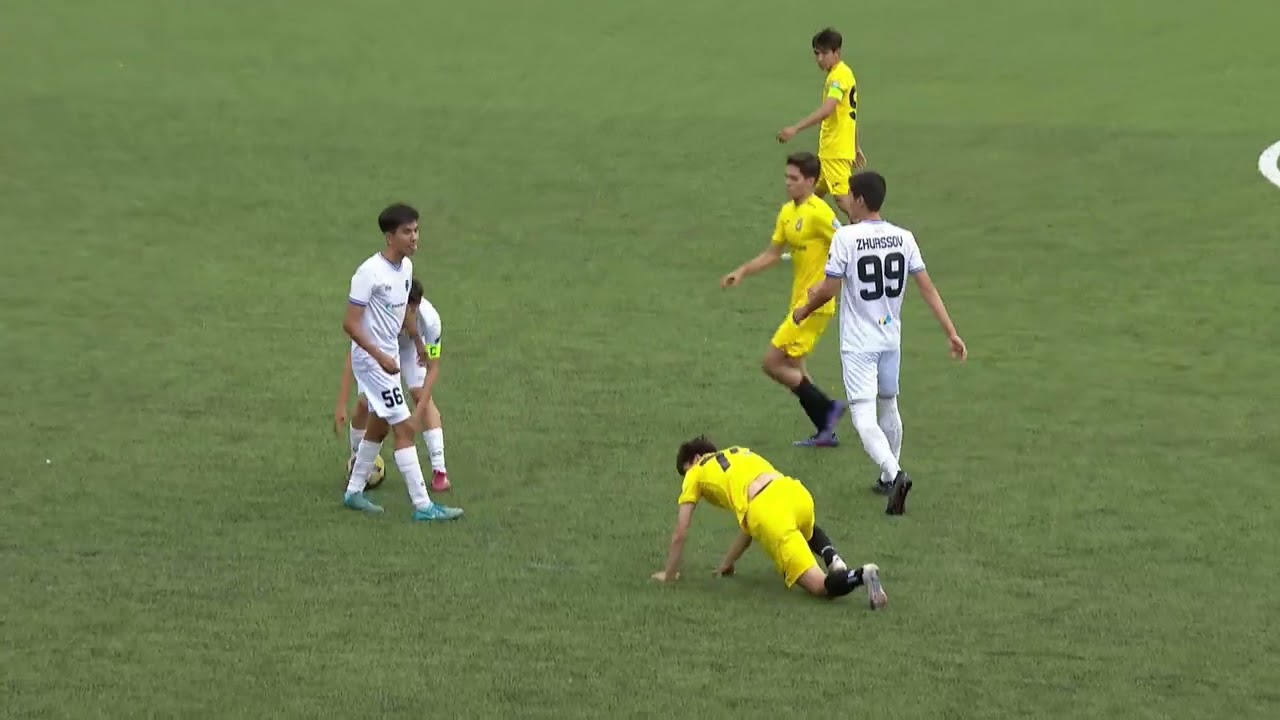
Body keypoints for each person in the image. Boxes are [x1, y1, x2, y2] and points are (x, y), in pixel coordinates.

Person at [792, 171, 967, 515]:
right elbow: (927, 288)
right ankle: (889, 478)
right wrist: (951, 332)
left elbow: (829, 289)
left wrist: (804, 309)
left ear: (860, 200)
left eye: (848, 196)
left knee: (863, 418)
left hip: (859, 344)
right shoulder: (904, 237)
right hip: (890, 338)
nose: (844, 202)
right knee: (889, 404)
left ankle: (895, 473)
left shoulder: (846, 238)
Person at [651, 436, 888, 609]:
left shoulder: (696, 472)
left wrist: (669, 574)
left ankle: (861, 575)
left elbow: (681, 531)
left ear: (695, 459)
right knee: (802, 526)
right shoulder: (740, 451)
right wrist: (727, 563)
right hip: (794, 492)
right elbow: (749, 529)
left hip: (769, 511)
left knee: (820, 586)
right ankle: (832, 557)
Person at [340, 203, 463, 522]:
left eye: (417, 230)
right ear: (389, 237)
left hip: (389, 359)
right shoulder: (369, 273)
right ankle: (424, 506)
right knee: (405, 430)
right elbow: (350, 324)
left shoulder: (406, 268)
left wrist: (418, 342)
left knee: (379, 425)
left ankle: (353, 492)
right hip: (374, 363)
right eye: (407, 232)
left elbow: (402, 312)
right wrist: (380, 356)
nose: (414, 237)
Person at [721, 152, 846, 447]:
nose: (787, 183)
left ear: (811, 181)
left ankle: (829, 407)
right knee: (795, 365)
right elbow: (772, 254)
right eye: (786, 177)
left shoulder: (820, 213)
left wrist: (827, 284)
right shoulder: (788, 212)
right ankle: (825, 430)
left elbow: (848, 246)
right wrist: (743, 271)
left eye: (794, 178)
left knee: (772, 363)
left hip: (815, 305)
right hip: (798, 301)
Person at [335, 278, 451, 492]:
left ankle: (439, 470)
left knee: (420, 395)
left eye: (409, 310)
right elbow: (354, 354)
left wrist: (417, 415)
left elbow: (433, 368)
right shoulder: (379, 314)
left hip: (412, 351)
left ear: (415, 307)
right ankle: (358, 460)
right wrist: (342, 403)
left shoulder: (431, 321)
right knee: (364, 404)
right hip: (382, 349)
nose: (404, 313)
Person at [776, 27, 866, 225]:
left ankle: (864, 236)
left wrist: (795, 128)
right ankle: (801, 233)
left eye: (824, 54)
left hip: (835, 151)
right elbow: (849, 114)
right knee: (808, 198)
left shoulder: (838, 77)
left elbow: (828, 109)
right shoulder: (842, 73)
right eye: (816, 54)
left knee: (844, 201)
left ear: (837, 52)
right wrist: (856, 146)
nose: (819, 59)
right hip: (829, 151)